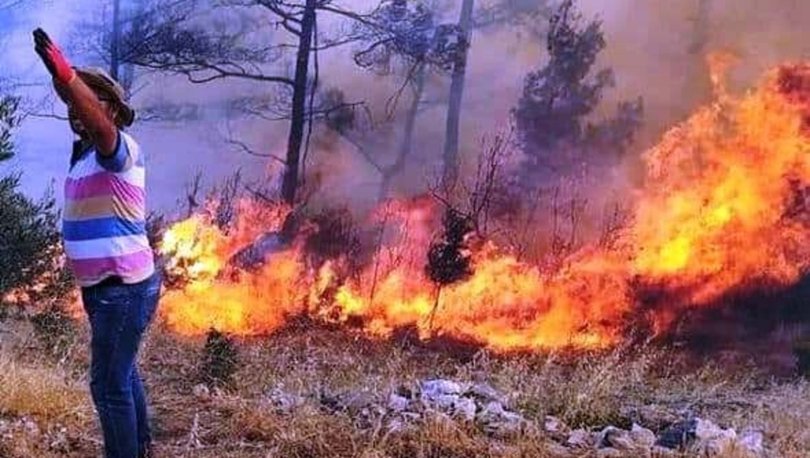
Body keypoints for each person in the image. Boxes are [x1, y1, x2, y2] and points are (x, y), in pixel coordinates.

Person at [33, 28, 160, 458]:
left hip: (122, 289)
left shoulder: (117, 145)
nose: (76, 109)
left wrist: (70, 77)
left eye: (86, 99)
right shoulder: (86, 154)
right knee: (122, 375)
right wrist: (60, 80)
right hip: (106, 289)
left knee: (107, 385)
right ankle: (140, 448)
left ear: (108, 109)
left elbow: (99, 124)